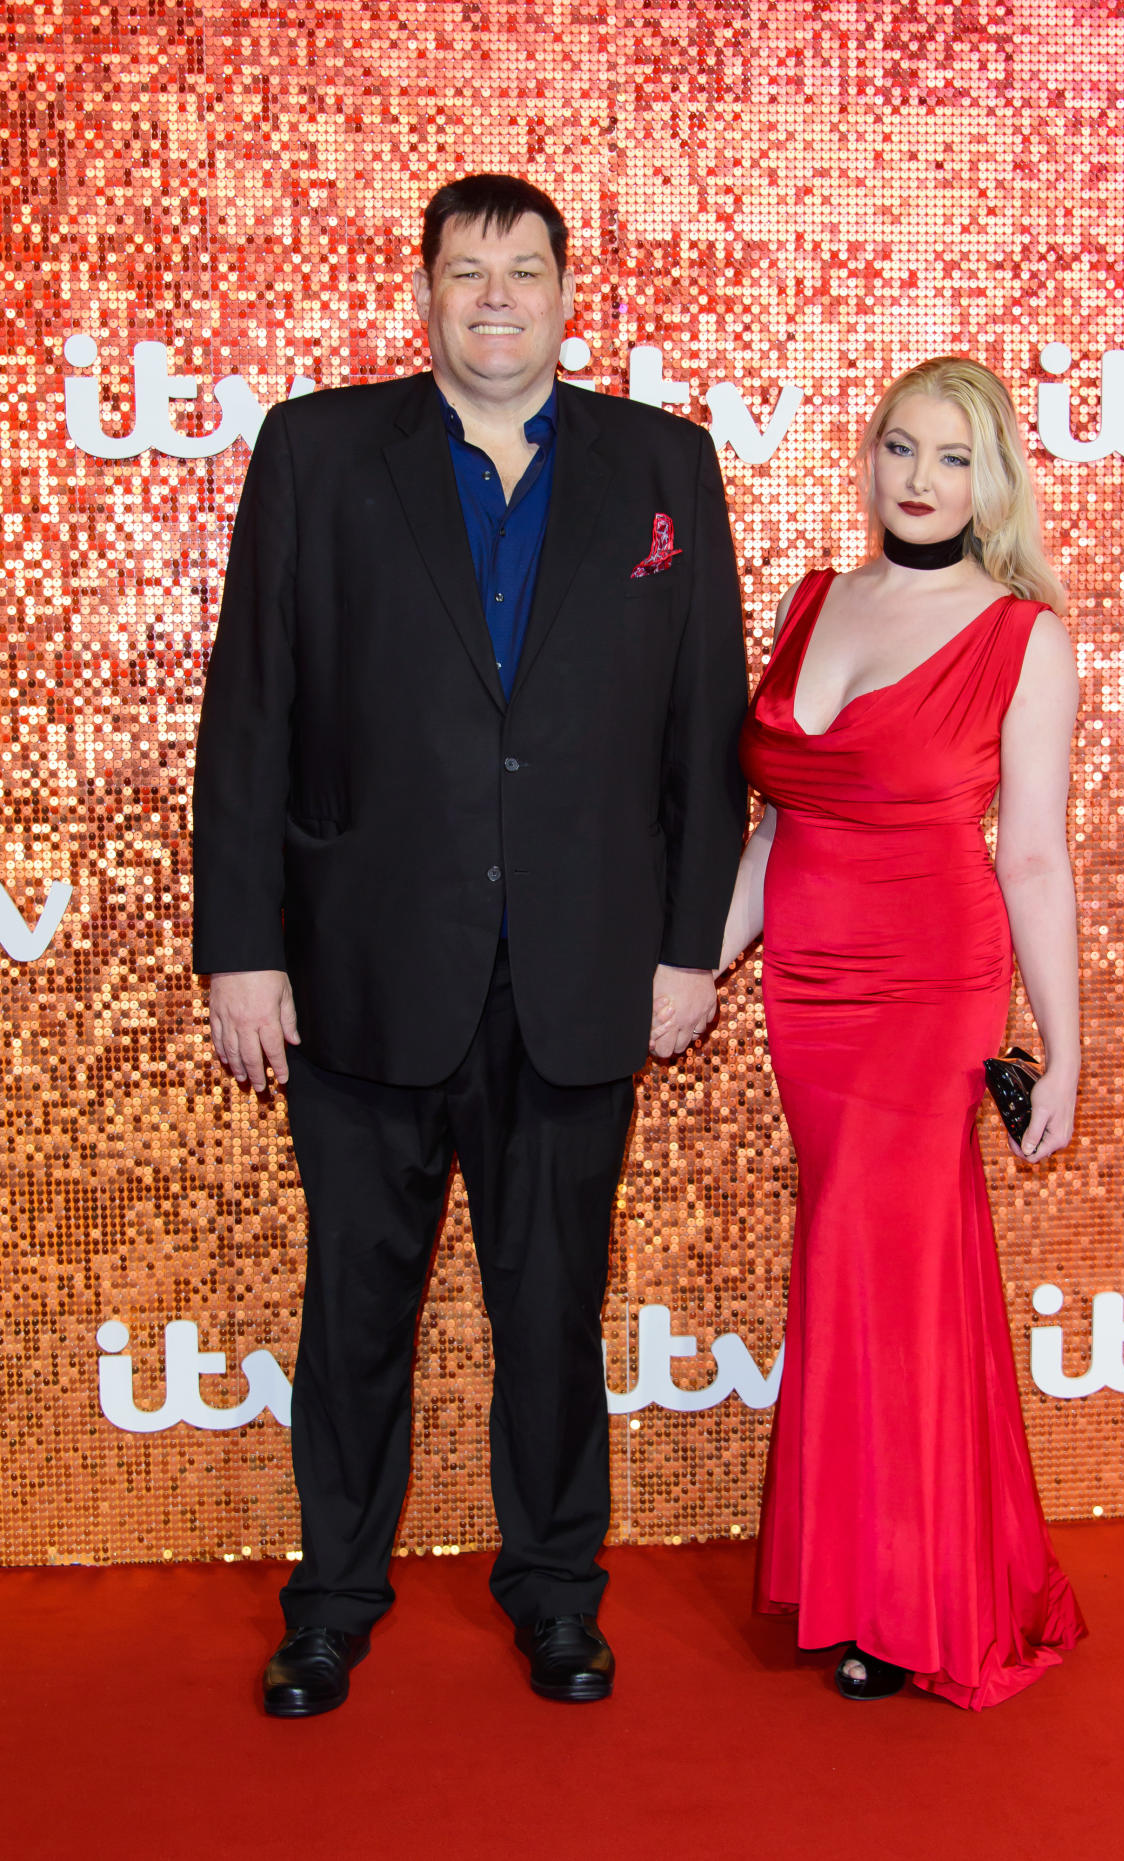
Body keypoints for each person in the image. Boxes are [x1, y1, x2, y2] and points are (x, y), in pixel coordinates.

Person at [193, 173, 747, 1716]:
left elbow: (703, 737)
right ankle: (332, 1602)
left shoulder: (661, 465)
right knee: (353, 1309)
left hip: (580, 978)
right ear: (423, 292)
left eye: (523, 270)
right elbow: (251, 713)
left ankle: (557, 1592)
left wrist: (688, 947)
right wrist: (243, 946)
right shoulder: (317, 451)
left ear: (571, 291)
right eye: (464, 272)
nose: (493, 297)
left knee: (554, 1313)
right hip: (363, 974)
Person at [711, 356, 1087, 1709]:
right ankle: (879, 1573)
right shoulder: (818, 599)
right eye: (895, 449)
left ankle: (910, 1598)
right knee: (870, 1268)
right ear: (866, 458)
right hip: (805, 990)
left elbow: (1032, 857)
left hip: (928, 987)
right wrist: (693, 964)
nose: (915, 479)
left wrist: (1063, 1044)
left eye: (947, 456)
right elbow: (773, 824)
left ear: (989, 480)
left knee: (885, 1269)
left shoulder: (1021, 635)